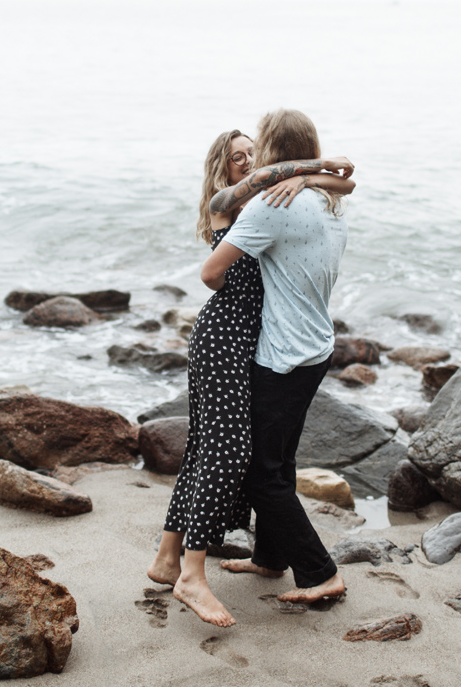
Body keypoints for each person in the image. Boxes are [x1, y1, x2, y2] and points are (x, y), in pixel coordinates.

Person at [147, 127, 355, 627]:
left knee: (204, 447)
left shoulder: (271, 200)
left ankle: (167, 557)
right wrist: (306, 169)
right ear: (223, 167)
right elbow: (212, 276)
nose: (246, 163)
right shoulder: (230, 202)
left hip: (250, 342)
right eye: (237, 157)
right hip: (225, 336)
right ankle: (192, 575)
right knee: (229, 452)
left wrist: (306, 173)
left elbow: (345, 180)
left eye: (251, 155)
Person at [203, 109, 350, 606]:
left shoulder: (272, 204)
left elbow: (211, 272)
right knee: (280, 461)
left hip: (284, 355)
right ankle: (271, 557)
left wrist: (236, 304)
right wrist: (311, 172)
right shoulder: (327, 200)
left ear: (268, 149)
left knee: (259, 474)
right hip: (317, 347)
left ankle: (320, 572)